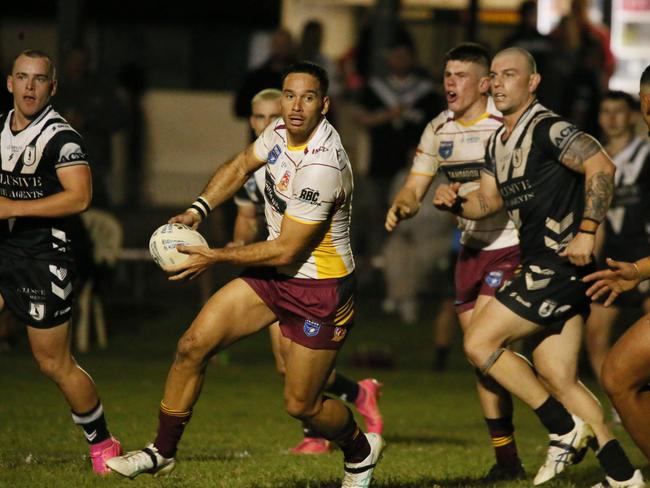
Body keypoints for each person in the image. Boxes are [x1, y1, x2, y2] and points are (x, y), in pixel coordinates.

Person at [106, 62, 384, 487]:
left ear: (324, 105)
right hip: (273, 277)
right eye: (289, 95)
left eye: (308, 97)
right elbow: (238, 168)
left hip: (320, 290)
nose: (295, 106)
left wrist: (214, 256)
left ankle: (359, 451)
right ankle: (161, 451)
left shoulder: (322, 166)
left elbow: (289, 247)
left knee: (301, 404)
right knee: (192, 346)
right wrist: (198, 210)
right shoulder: (276, 132)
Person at [433, 47, 643, 487]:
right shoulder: (498, 141)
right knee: (558, 375)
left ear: (533, 82)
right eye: (495, 75)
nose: (499, 83)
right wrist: (458, 201)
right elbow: (488, 201)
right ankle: (624, 477)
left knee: (479, 342)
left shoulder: (547, 127)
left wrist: (588, 229)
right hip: (545, 265)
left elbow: (600, 164)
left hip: (560, 265)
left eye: (511, 75)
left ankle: (563, 429)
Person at [386, 43, 525, 480]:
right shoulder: (438, 128)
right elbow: (416, 185)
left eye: (461, 75)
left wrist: (459, 200)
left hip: (511, 244)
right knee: (480, 358)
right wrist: (404, 204)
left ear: (485, 84)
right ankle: (507, 461)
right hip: (468, 250)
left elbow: (498, 197)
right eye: (447, 74)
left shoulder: (503, 127)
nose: (450, 82)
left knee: (482, 345)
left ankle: (562, 421)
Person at [232, 87, 383, 455]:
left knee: (296, 369)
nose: (269, 124)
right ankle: (357, 393)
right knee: (286, 367)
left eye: (274, 117)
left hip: (312, 278)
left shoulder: (313, 162)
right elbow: (245, 219)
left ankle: (318, 435)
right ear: (252, 121)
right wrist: (237, 250)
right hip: (272, 277)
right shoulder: (253, 170)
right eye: (261, 117)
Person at [0, 50, 121, 474]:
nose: (29, 87)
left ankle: (102, 442)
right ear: (9, 83)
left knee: (53, 362)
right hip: (4, 248)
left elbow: (80, 198)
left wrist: (12, 206)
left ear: (53, 87)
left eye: (39, 79)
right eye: (22, 77)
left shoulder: (61, 138)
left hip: (44, 257)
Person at [583, 64, 650, 463]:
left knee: (620, 375)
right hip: (629, 261)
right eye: (647, 110)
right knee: (618, 374)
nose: (649, 119)